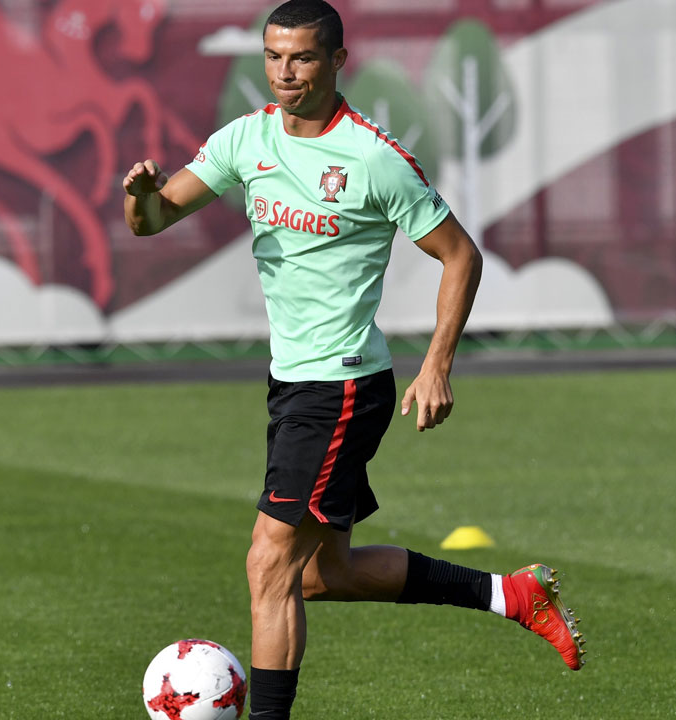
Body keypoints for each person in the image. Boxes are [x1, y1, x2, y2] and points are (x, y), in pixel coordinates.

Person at [123, 1, 584, 717]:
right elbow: (155, 219)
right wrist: (139, 199)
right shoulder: (246, 139)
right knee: (319, 575)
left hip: (339, 388)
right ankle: (511, 595)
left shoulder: (373, 158)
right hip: (292, 385)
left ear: (338, 61)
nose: (285, 72)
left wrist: (437, 365)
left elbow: (460, 255)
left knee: (268, 562)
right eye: (274, 57)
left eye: (302, 57)